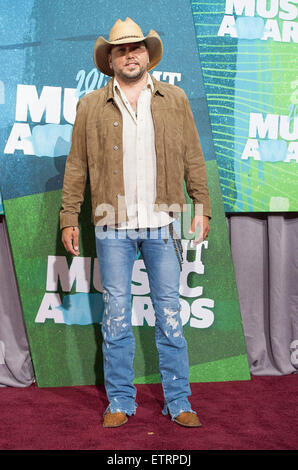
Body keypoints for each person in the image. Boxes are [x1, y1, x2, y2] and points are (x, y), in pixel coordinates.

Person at [60, 17, 211, 428]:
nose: (131, 55)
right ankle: (121, 402)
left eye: (137, 48)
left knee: (170, 315)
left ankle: (179, 400)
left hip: (163, 224)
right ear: (110, 58)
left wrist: (203, 205)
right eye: (122, 49)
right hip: (112, 226)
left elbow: (194, 157)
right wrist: (68, 216)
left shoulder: (175, 99)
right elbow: (76, 168)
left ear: (148, 54)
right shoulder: (90, 105)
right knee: (116, 317)